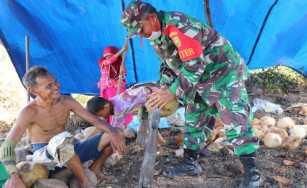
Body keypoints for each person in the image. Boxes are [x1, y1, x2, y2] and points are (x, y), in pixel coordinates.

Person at [120, 1, 263, 188]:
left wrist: (172, 92)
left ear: (152, 18)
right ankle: (190, 163)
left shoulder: (179, 26)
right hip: (198, 78)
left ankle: (253, 174)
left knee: (235, 119)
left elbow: (194, 64)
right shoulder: (155, 35)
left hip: (223, 73)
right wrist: (164, 86)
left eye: (140, 28)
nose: (140, 34)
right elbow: (169, 63)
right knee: (194, 119)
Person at [0, 66, 126, 188]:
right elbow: (7, 146)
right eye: (49, 86)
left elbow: (95, 121)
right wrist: (13, 176)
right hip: (45, 157)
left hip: (69, 151)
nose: (56, 87)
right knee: (62, 142)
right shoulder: (29, 111)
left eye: (56, 82)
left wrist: (113, 132)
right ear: (33, 91)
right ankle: (85, 182)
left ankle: (94, 170)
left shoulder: (66, 101)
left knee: (117, 132)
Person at [97, 44, 133, 127]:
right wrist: (122, 50)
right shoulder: (102, 62)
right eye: (107, 57)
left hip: (118, 88)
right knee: (108, 107)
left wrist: (122, 72)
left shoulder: (119, 64)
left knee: (120, 106)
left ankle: (124, 125)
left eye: (111, 56)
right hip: (107, 89)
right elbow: (109, 61)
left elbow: (122, 76)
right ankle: (109, 125)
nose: (109, 58)